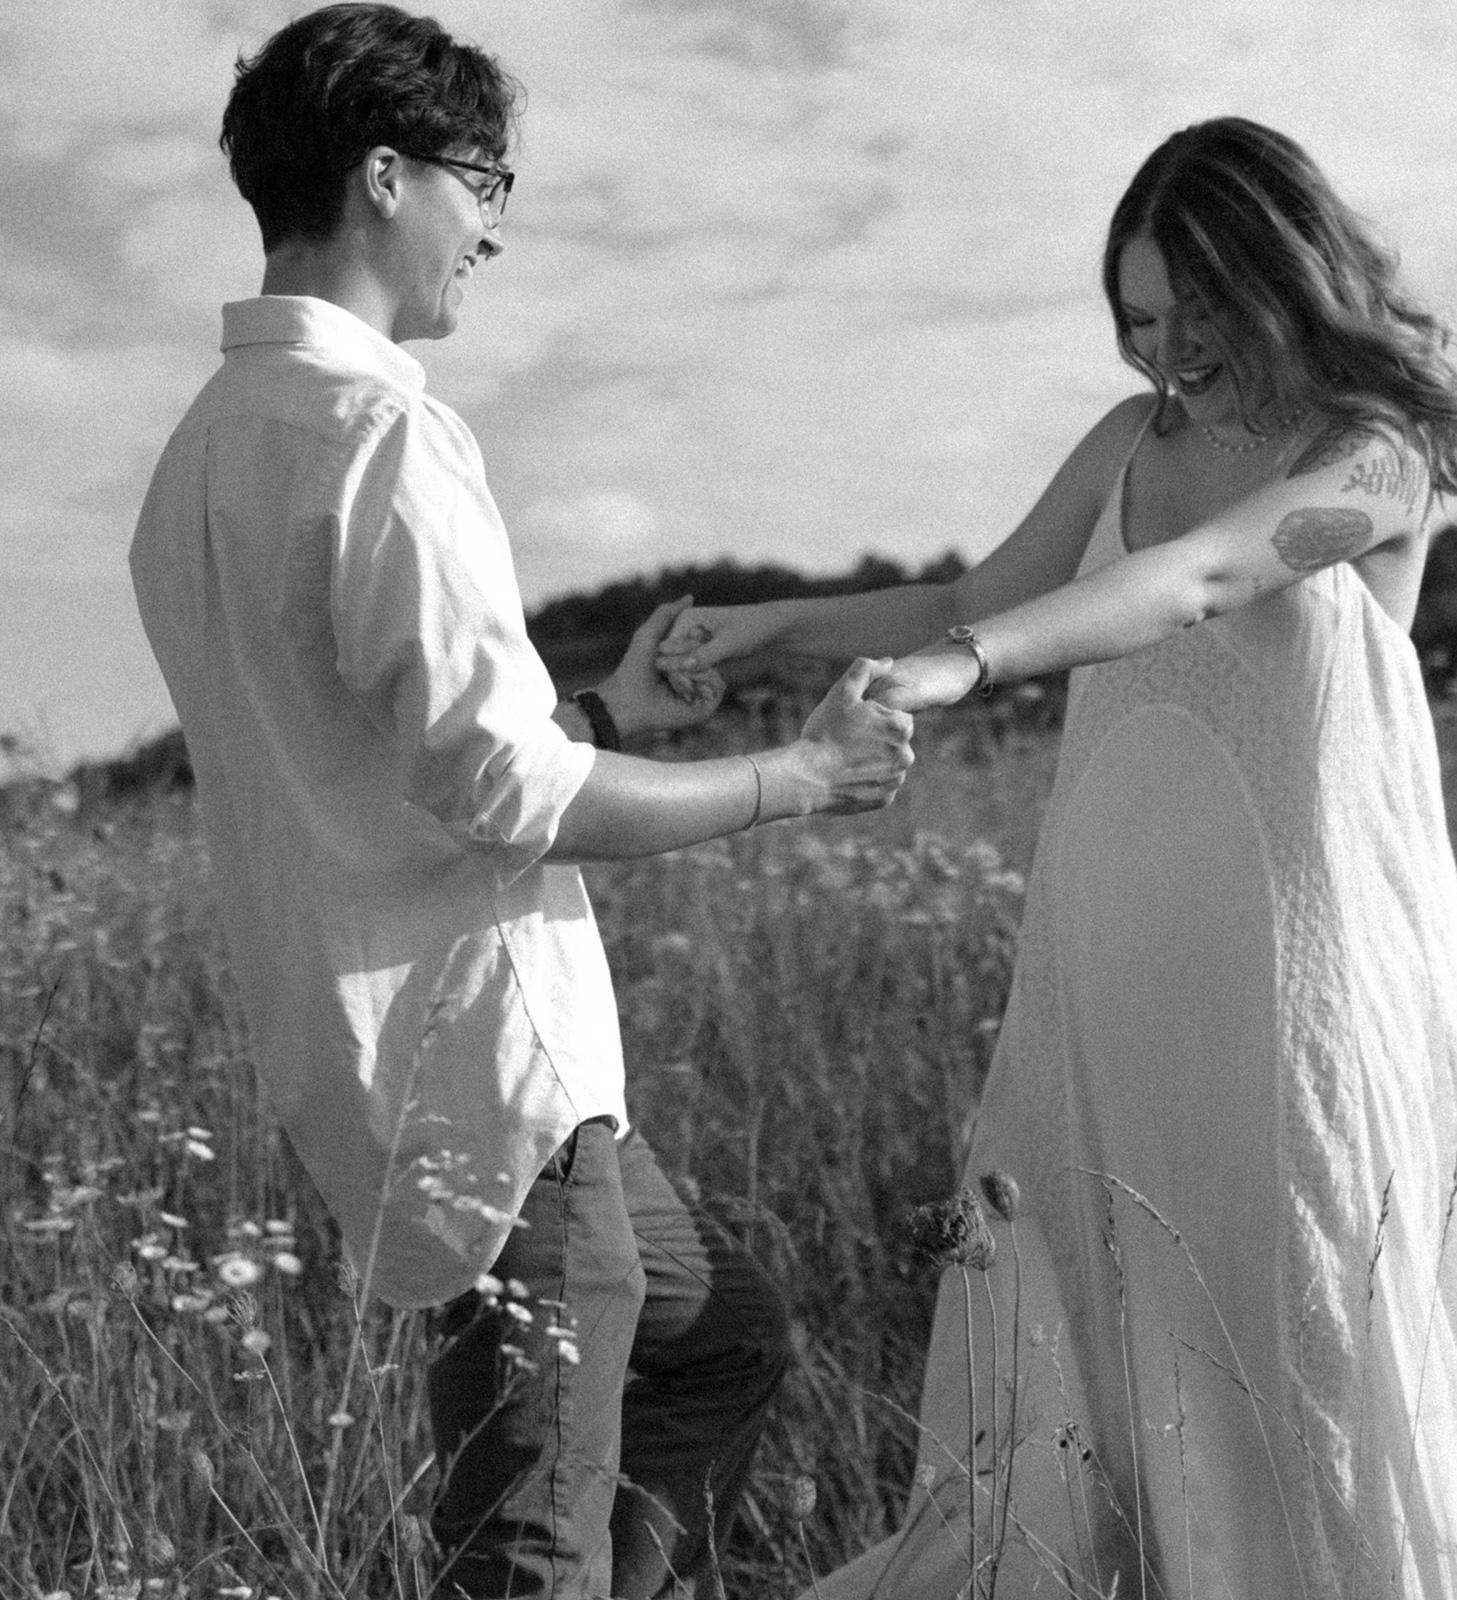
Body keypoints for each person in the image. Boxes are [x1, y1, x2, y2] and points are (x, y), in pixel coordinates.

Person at [657, 118, 1457, 1596]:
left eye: (1196, 312)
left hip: (1301, 978)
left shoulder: (1377, 453)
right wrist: (769, 627)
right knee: (1091, 1325)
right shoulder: (1129, 440)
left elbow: (1201, 578)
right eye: (1140, 321)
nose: (1168, 354)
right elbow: (974, 592)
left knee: (1297, 1296)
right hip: (1106, 966)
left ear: (1284, 276)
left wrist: (969, 667)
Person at [127, 6, 914, 1597]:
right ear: (385, 175)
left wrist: (606, 713)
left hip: (406, 1062)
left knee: (722, 1338)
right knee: (527, 1550)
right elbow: (508, 793)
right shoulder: (380, 431)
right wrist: (798, 779)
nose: (493, 228)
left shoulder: (195, 460)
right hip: (489, 1071)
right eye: (483, 182)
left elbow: (396, 759)